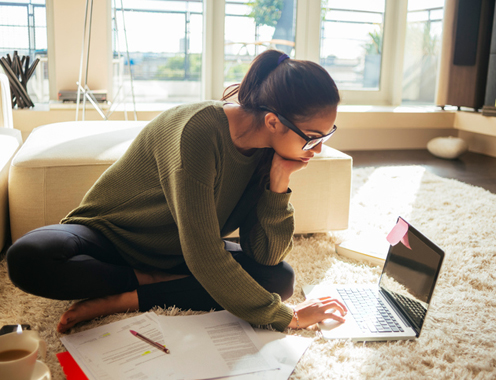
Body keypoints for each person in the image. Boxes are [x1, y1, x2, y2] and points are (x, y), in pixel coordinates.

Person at [6, 49, 347, 333]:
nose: (317, 150)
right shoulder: (198, 132)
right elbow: (205, 256)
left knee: (279, 278)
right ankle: (149, 281)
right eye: (312, 137)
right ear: (273, 121)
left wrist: (278, 184)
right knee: (28, 258)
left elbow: (265, 256)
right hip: (112, 237)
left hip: (181, 252)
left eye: (326, 135)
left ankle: (129, 296)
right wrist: (290, 317)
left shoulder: (271, 155)